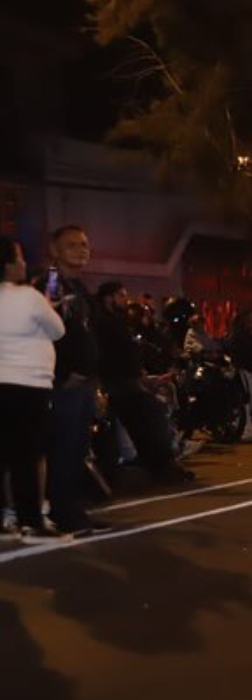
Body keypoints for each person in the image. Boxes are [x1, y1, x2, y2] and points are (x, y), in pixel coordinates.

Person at [34, 227, 105, 534]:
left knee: (78, 449)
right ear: (54, 250)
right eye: (72, 245)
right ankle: (64, 514)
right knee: (62, 449)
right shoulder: (50, 283)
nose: (81, 250)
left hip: (85, 383)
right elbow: (43, 332)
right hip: (63, 385)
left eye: (85, 244)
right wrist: (63, 373)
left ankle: (75, 511)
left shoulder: (78, 285)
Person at [0, 236, 67, 542]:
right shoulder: (29, 296)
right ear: (9, 264)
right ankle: (32, 522)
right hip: (29, 384)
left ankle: (4, 521)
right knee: (26, 456)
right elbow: (58, 329)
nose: (24, 263)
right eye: (20, 257)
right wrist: (49, 306)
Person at [93, 282, 188, 481]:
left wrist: (141, 374)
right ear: (108, 297)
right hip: (118, 381)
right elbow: (113, 354)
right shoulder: (103, 322)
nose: (125, 300)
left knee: (148, 420)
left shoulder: (117, 321)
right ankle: (159, 466)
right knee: (150, 417)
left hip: (127, 380)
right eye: (120, 295)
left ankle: (159, 465)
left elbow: (130, 352)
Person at [227, 309, 252, 442]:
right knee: (246, 400)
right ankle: (245, 429)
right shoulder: (239, 336)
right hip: (245, 370)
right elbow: (239, 354)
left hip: (250, 369)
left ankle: (248, 427)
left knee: (250, 399)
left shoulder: (246, 335)